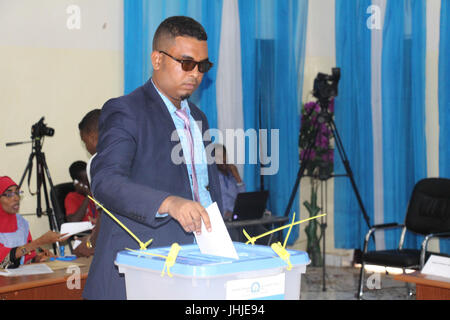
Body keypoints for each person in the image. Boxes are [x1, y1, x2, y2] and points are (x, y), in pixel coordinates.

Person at [83, 16, 223, 299]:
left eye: (202, 65)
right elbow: (106, 181)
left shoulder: (198, 118)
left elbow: (204, 190)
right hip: (140, 271)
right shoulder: (126, 111)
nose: (195, 73)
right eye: (186, 63)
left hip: (192, 269)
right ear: (157, 59)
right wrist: (168, 203)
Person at [0, 176, 67, 269]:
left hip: (19, 279)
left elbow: (26, 257)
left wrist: (38, 258)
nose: (16, 198)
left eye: (17, 193)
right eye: (9, 194)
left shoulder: (21, 223)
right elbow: (4, 259)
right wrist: (39, 242)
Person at [72, 109, 102, 258]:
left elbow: (106, 213)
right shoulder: (133, 151)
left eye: (85, 142)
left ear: (92, 137)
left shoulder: (96, 161)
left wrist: (90, 244)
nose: (87, 148)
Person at [213, 144, 245, 221]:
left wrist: (237, 177)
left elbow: (242, 197)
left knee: (261, 230)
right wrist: (226, 213)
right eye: (219, 157)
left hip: (236, 217)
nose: (223, 159)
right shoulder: (213, 177)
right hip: (222, 219)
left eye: (224, 155)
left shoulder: (231, 174)